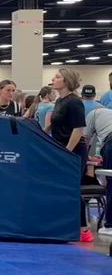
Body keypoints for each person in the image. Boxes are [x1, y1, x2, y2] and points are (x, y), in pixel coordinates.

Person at [49, 68, 91, 243]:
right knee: (59, 187)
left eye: (57, 77)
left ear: (66, 81)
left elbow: (78, 130)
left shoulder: (74, 102)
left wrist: (67, 151)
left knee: (72, 188)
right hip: (60, 148)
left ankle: (84, 229)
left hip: (73, 150)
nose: (53, 79)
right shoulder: (59, 101)